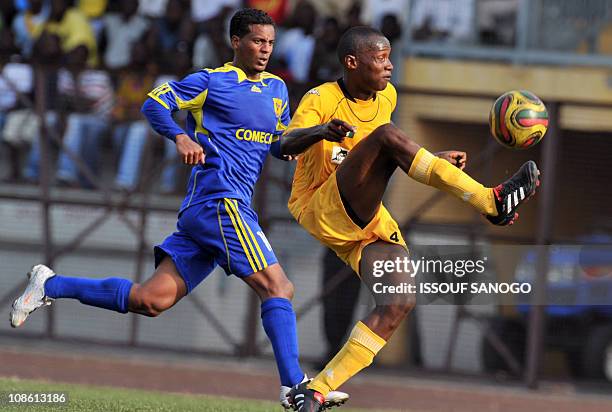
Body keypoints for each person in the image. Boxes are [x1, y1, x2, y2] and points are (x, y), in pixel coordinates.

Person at [10, 8, 347, 410]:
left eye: (271, 43)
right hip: (218, 201)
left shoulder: (276, 90)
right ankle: (294, 387)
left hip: (217, 211)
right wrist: (180, 138)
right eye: (257, 41)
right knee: (279, 287)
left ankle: (50, 284)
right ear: (236, 41)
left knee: (150, 301)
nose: (265, 50)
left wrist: (317, 135)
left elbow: (278, 144)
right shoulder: (213, 81)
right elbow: (155, 103)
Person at [282, 26, 540, 411]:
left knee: (399, 300)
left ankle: (316, 392)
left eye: (389, 57)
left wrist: (435, 160)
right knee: (388, 136)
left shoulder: (387, 96)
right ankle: (490, 201)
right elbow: (283, 144)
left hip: (367, 218)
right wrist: (321, 130)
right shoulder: (321, 98)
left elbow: (381, 157)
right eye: (380, 58)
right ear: (353, 63)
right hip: (319, 203)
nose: (389, 66)